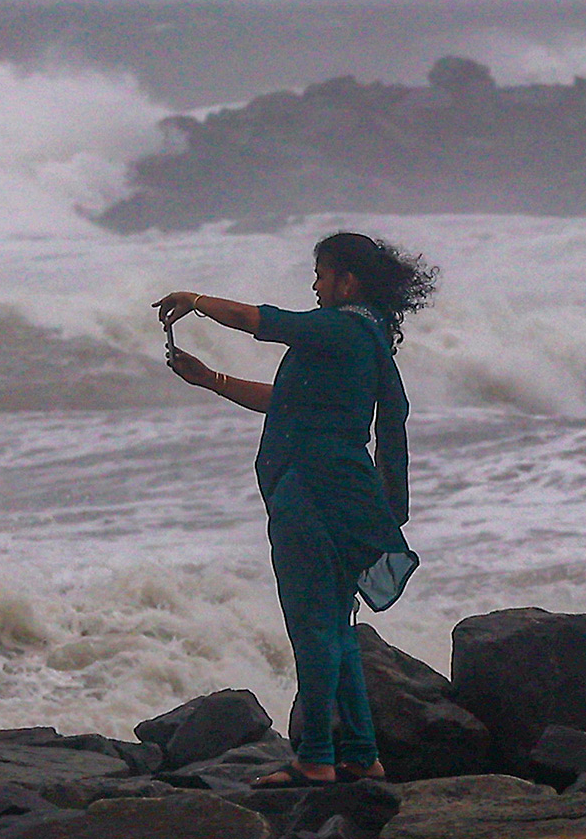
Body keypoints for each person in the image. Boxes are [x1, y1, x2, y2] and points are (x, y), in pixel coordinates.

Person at [152, 231, 437, 787]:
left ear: (346, 280)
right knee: (335, 624)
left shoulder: (337, 326)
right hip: (345, 491)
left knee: (311, 625)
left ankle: (315, 758)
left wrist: (195, 301)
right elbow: (283, 401)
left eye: (321, 274)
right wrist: (210, 380)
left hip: (309, 491)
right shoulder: (366, 336)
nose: (315, 285)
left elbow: (261, 320)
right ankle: (360, 752)